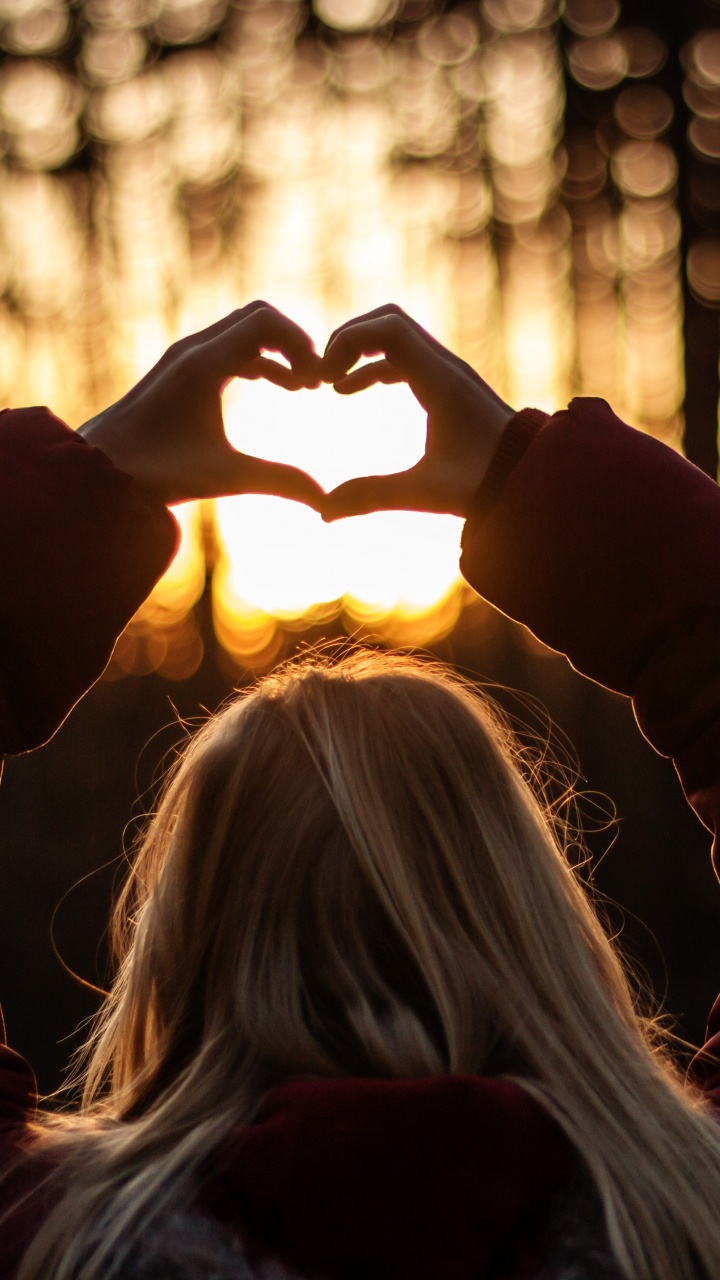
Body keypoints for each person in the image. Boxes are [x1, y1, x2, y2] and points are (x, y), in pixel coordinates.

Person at [0, 301, 719, 1280]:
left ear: (187, 929)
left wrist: (100, 469)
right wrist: (525, 476)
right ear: (529, 905)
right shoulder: (689, 1213)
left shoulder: (42, 1238)